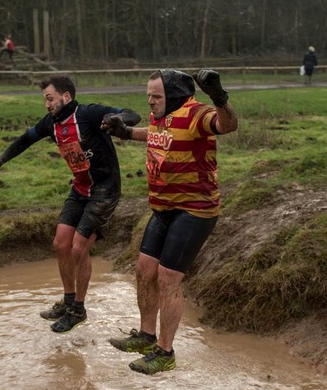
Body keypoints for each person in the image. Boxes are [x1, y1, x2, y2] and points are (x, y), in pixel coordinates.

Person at [101, 69, 239, 374]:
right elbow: (157, 134)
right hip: (163, 208)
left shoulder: (197, 113)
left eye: (156, 96)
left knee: (167, 277)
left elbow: (227, 124)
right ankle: (146, 336)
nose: (150, 102)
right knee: (144, 270)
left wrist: (219, 97)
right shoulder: (162, 115)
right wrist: (124, 132)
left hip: (194, 210)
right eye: (148, 95)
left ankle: (165, 352)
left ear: (174, 96)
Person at [0, 75, 140, 333]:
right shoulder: (51, 123)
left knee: (79, 247)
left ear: (66, 97)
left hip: (104, 190)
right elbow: (24, 140)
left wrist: (118, 120)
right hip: (79, 189)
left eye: (50, 98)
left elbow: (132, 114)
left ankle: (78, 309)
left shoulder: (89, 114)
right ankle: (67, 302)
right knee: (60, 243)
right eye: (45, 99)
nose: (46, 104)